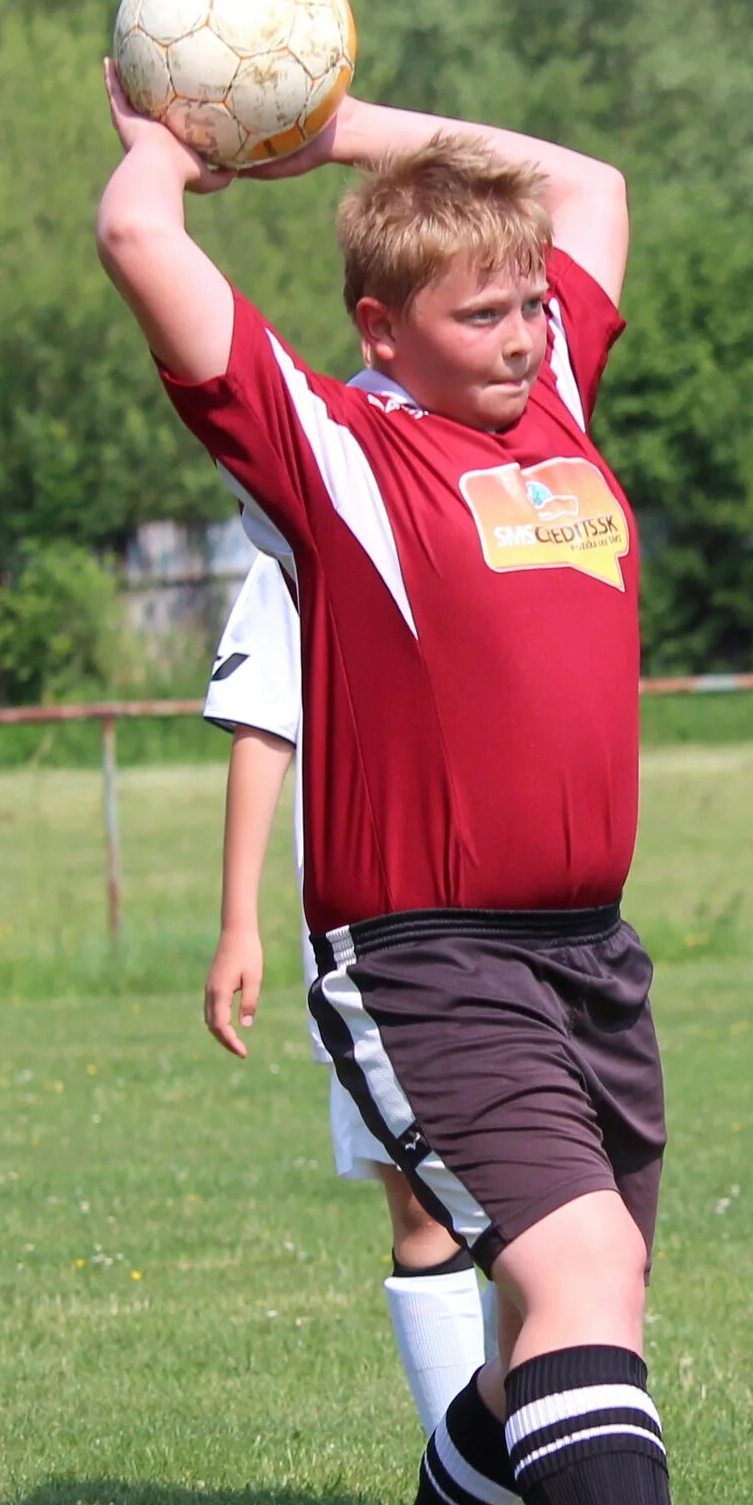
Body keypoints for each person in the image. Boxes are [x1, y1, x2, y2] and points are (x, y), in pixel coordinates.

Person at [97, 63, 753, 1505]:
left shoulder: (557, 415)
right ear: (381, 327)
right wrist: (175, 139)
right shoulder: (339, 453)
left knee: (570, 1323)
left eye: (524, 303)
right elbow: (140, 235)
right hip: (428, 953)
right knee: (577, 1274)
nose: (517, 328)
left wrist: (329, 124)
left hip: (588, 953)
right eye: (477, 310)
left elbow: (591, 176)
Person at [199, 552, 499, 1436]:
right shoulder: (304, 518)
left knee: (554, 1204)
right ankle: (468, 1473)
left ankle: (547, 1443)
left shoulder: (507, 500)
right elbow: (264, 720)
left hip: (524, 908)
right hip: (379, 920)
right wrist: (237, 922)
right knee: (420, 1198)